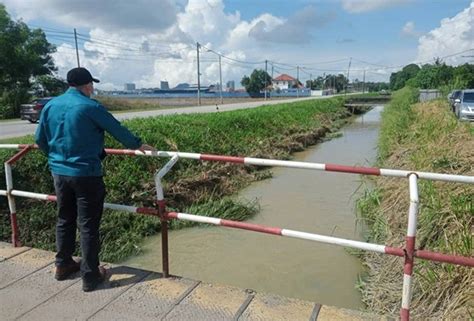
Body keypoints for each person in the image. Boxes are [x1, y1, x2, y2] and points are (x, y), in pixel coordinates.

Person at [35, 67, 155, 292]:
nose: (92, 89)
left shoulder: (50, 105)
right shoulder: (90, 106)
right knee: (88, 225)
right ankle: (90, 276)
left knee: (64, 218)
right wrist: (138, 144)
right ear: (88, 85)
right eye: (92, 85)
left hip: (59, 173)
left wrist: (55, 159)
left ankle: (62, 265)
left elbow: (39, 139)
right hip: (86, 174)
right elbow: (116, 129)